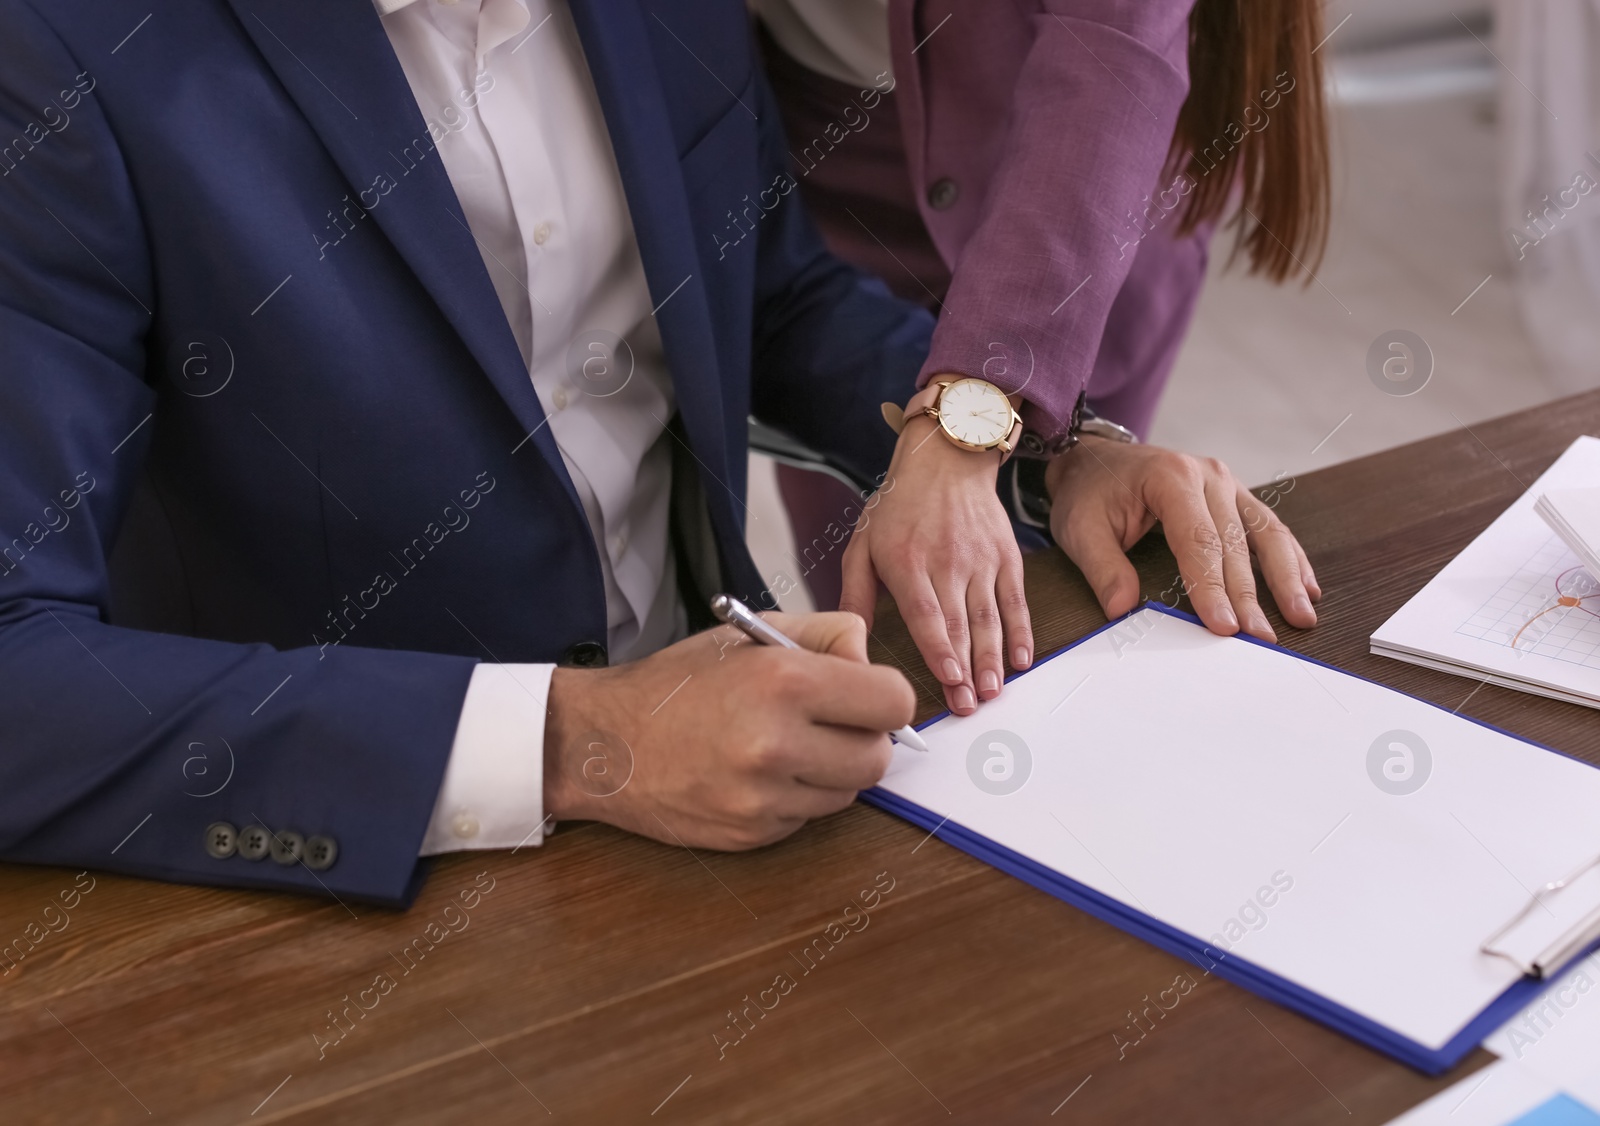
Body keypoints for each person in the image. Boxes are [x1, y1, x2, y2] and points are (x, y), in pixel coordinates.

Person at [0, 0, 946, 904]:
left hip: (722, 819)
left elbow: (769, 298)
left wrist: (1012, 434)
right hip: (340, 891)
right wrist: (574, 740)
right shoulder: (56, 48)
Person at [753, 0, 1332, 719]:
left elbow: (1110, 45)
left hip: (1082, 176)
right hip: (817, 183)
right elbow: (784, 320)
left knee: (1078, 594)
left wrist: (981, 427)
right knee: (894, 645)